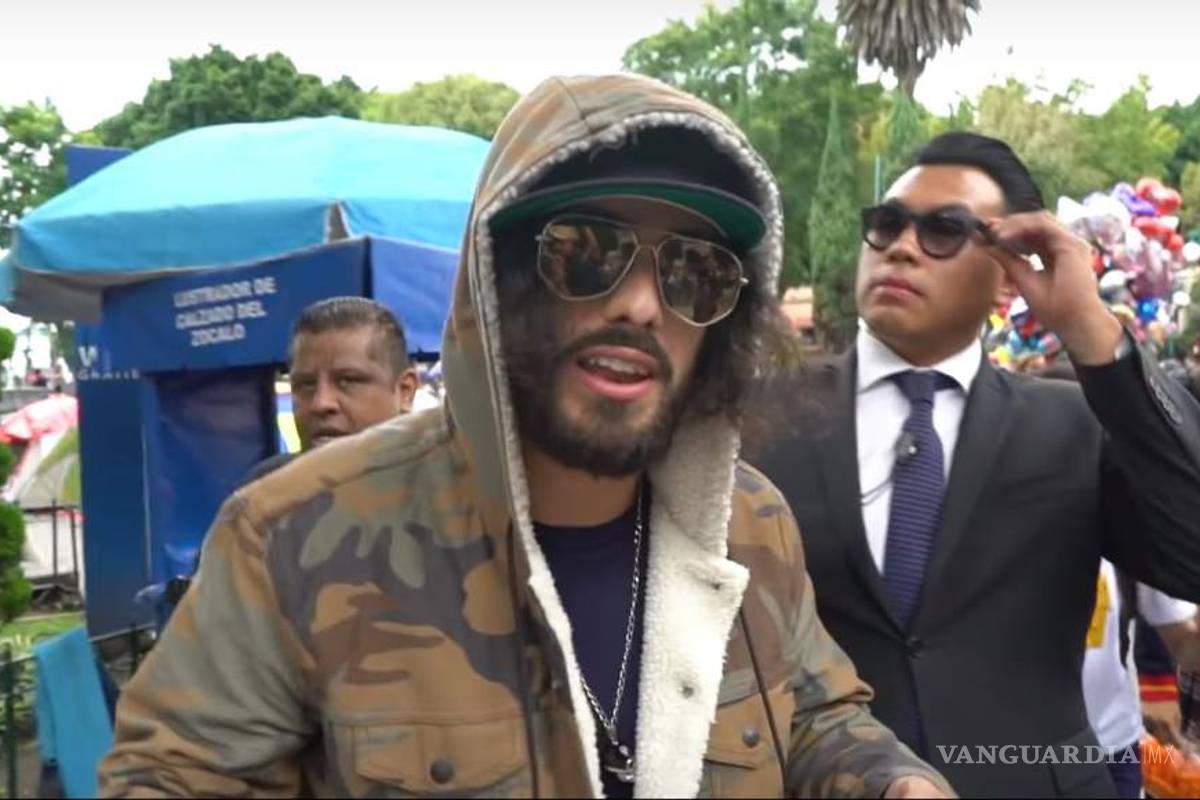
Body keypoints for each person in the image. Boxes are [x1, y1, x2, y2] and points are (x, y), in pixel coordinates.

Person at [98, 74, 951, 799]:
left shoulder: (752, 524)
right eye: (587, 252)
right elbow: (169, 779)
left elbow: (815, 717)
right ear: (494, 282)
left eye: (695, 271)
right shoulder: (293, 534)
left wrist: (891, 782)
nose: (641, 304)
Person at [755, 131, 1200, 797]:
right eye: (887, 224)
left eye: (944, 231)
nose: (902, 247)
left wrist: (1088, 325)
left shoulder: (1074, 424)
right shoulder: (759, 417)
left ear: (1007, 276)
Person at [239, 296, 418, 484]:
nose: (321, 403)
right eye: (306, 384)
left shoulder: (436, 488)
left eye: (348, 381)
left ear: (405, 391)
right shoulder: (267, 488)